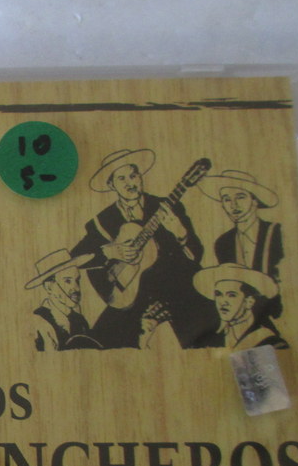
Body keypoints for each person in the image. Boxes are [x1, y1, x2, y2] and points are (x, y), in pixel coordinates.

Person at [71, 148, 214, 348]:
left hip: (176, 289)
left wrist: (180, 233)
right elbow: (75, 258)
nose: (130, 183)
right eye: (121, 178)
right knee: (101, 343)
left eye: (133, 175)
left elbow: (196, 254)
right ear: (111, 185)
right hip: (131, 295)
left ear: (140, 177)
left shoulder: (167, 206)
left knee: (207, 332)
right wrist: (111, 251)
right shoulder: (102, 221)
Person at [200, 168, 283, 316]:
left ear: (255, 201)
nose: (233, 205)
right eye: (226, 199)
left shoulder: (276, 233)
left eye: (240, 197)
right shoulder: (223, 243)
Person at [192, 263, 287, 350]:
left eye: (231, 295)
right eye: (218, 294)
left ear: (249, 301)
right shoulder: (209, 340)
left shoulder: (271, 343)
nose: (223, 302)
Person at [25, 249, 95, 350]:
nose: (77, 288)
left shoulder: (80, 320)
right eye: (67, 281)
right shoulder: (38, 321)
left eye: (77, 281)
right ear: (49, 287)